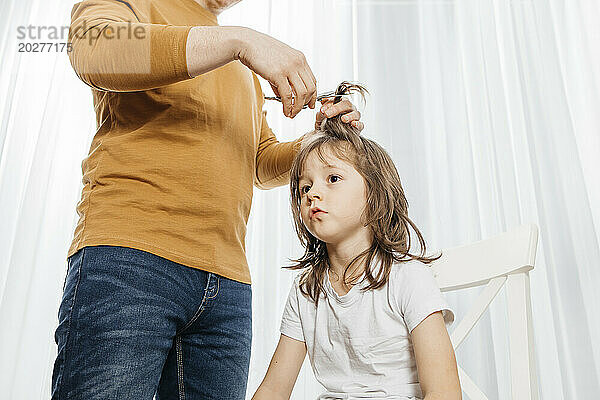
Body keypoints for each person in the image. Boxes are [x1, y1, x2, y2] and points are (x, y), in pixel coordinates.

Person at [52, 0, 364, 399]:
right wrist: (240, 40)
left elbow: (261, 161)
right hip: (130, 259)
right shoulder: (140, 8)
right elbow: (93, 49)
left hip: (227, 284)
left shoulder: (239, 64)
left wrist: (317, 140)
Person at [252, 83, 461, 400]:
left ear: (374, 193)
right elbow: (273, 390)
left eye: (332, 178)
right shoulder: (306, 290)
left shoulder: (408, 279)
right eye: (304, 187)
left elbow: (444, 393)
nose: (312, 194)